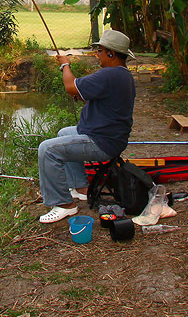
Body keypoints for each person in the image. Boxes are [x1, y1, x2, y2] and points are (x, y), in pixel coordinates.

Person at [37, 29, 136, 223]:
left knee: (46, 149)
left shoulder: (110, 75)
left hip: (102, 142)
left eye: (99, 50)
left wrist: (65, 65)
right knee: (63, 133)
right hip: (109, 136)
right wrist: (80, 94)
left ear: (111, 53)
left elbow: (71, 87)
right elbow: (85, 95)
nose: (97, 54)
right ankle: (81, 188)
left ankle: (65, 205)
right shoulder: (121, 75)